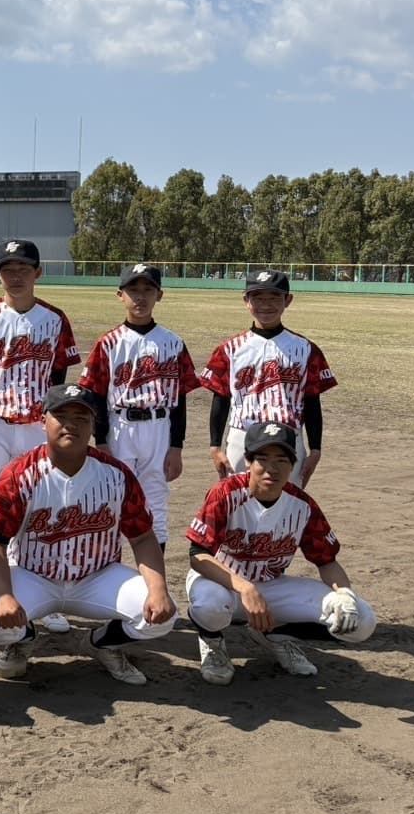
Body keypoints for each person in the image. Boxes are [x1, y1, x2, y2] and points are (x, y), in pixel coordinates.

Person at [0, 383, 177, 685]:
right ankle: (22, 638)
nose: (71, 425)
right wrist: (4, 596)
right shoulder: (19, 474)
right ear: (43, 421)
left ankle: (102, 643)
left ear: (93, 425)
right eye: (61, 416)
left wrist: (158, 589)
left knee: (164, 615)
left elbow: (142, 537)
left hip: (98, 578)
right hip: (33, 576)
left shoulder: (116, 474)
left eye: (81, 418)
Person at [0, 239, 79, 635]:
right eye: (8, 269)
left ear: (39, 273)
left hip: (37, 427)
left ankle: (41, 596)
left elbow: (59, 377)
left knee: (38, 511)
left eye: (24, 268)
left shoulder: (55, 319)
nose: (16, 276)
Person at [185, 422, 376, 685]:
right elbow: (197, 554)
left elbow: (326, 561)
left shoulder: (303, 506)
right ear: (248, 461)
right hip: (220, 582)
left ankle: (275, 634)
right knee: (209, 606)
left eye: (281, 460)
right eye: (262, 459)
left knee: (362, 620)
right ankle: (212, 641)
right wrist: (244, 587)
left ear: (292, 465)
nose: (271, 468)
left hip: (272, 586)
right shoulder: (225, 493)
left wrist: (344, 594)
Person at [78, 263, 201, 547]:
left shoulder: (172, 343)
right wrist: (101, 440)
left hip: (160, 427)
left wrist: (177, 446)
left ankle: (154, 573)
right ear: (120, 295)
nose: (140, 297)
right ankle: (112, 570)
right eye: (133, 290)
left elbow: (179, 398)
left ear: (160, 295)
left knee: (155, 503)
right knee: (113, 499)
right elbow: (95, 396)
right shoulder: (108, 343)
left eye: (148, 290)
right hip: (119, 426)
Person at [202, 269, 336, 487]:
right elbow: (221, 398)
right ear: (246, 301)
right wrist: (215, 446)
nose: (266, 305)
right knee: (238, 502)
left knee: (286, 502)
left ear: (288, 300)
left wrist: (316, 449)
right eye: (258, 297)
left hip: (288, 438)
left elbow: (312, 401)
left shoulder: (306, 349)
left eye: (274, 297)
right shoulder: (229, 349)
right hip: (242, 436)